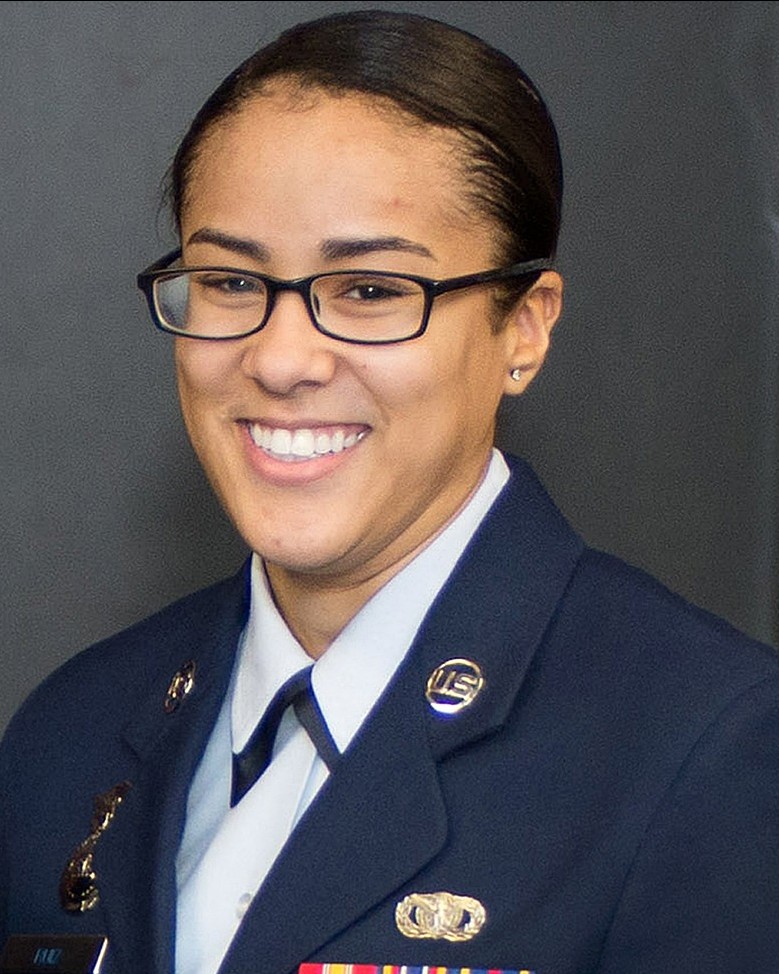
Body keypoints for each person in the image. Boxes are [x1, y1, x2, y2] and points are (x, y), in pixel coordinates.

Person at [1, 9, 778, 974]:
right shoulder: (69, 734)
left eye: (370, 290)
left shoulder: (705, 751)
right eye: (231, 281)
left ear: (524, 329)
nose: (280, 359)